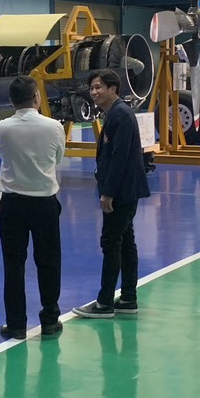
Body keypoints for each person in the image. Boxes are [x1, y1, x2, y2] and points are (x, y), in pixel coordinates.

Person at [73, 68, 149, 319]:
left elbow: (120, 158)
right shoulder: (115, 114)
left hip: (121, 192)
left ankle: (105, 302)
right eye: (92, 88)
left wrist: (108, 193)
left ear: (113, 89)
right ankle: (128, 297)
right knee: (125, 242)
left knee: (111, 241)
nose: (94, 92)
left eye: (99, 87)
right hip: (124, 190)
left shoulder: (120, 115)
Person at [0, 76, 67, 340]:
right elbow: (58, 158)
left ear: (12, 100)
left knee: (13, 264)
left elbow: (2, 154)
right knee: (49, 262)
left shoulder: (2, 128)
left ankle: (16, 324)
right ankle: (50, 319)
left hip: (12, 203)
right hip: (44, 202)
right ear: (36, 97)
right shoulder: (54, 127)